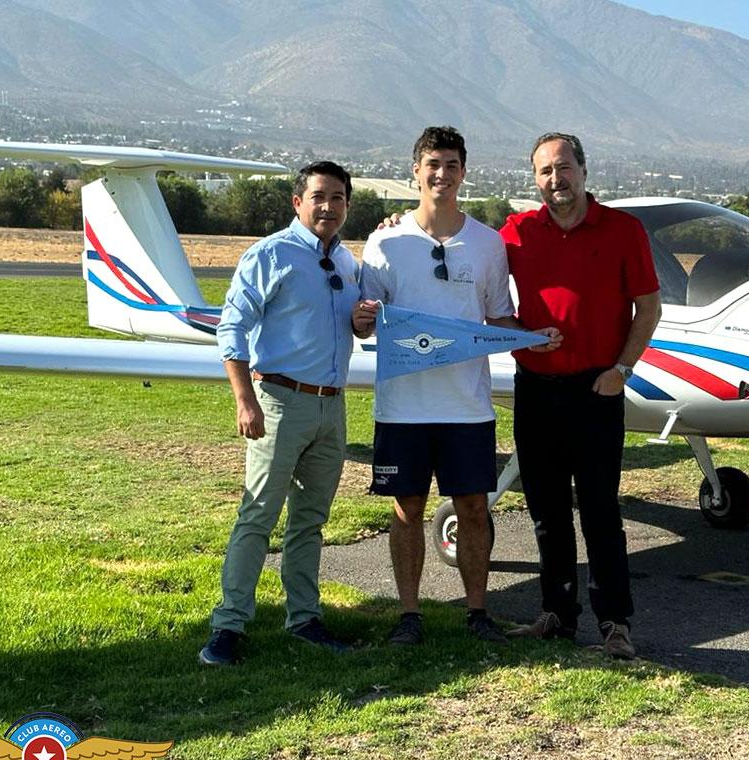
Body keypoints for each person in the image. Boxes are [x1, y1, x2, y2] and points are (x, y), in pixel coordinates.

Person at [358, 125, 559, 647]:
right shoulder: (384, 241)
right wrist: (361, 320)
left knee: (473, 508)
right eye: (432, 164)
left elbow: (499, 318)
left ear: (463, 172)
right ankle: (409, 615)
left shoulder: (488, 244)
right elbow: (365, 319)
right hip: (401, 405)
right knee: (407, 509)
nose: (441, 174)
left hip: (467, 407)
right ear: (415, 171)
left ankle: (477, 612)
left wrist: (535, 339)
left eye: (451, 165)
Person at [199, 161, 378, 666]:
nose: (329, 206)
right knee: (257, 517)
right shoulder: (270, 255)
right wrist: (244, 399)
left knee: (310, 521)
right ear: (298, 202)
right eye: (319, 197)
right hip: (278, 401)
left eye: (338, 198)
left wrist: (362, 323)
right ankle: (228, 626)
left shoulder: (347, 263)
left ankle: (304, 619)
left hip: (331, 406)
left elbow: (354, 331)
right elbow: (231, 329)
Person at [502, 132, 662, 660]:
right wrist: (397, 223)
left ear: (584, 170)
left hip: (597, 387)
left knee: (599, 511)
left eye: (563, 168)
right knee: (546, 511)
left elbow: (649, 308)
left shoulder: (622, 230)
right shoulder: (517, 232)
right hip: (535, 391)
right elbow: (461, 258)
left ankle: (615, 624)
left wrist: (622, 368)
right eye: (545, 172)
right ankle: (557, 615)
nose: (556, 180)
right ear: (536, 180)